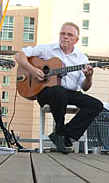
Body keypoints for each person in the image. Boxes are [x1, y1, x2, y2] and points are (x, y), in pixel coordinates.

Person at [16, 21, 103, 154]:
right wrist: (33, 70)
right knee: (58, 91)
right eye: (62, 33)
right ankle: (61, 133)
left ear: (76, 40)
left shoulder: (81, 58)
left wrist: (89, 76)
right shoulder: (47, 49)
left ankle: (64, 134)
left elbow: (85, 87)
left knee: (96, 105)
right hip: (46, 92)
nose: (65, 37)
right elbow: (19, 55)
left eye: (69, 34)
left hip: (69, 93)